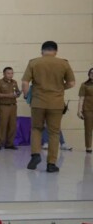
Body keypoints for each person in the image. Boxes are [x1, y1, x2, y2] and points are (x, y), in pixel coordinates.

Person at [21, 41, 75, 173]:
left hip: (38, 102)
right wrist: (59, 88)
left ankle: (35, 155)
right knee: (54, 133)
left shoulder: (34, 62)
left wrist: (26, 95)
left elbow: (25, 82)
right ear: (56, 51)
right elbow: (71, 83)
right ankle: (51, 164)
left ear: (42, 51)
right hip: (56, 103)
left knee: (36, 129)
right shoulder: (63, 63)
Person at [0, 67, 21, 150]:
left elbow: (17, 92)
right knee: (3, 124)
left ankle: (9, 143)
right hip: (4, 106)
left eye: (12, 73)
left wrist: (18, 93)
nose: (10, 75)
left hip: (13, 106)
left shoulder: (14, 82)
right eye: (8, 73)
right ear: (4, 74)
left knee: (12, 125)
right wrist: (8, 95)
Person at [79, 68, 93, 153]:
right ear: (89, 74)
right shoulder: (84, 85)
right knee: (88, 129)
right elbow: (81, 98)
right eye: (91, 73)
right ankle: (88, 147)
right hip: (88, 109)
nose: (92, 74)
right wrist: (79, 110)